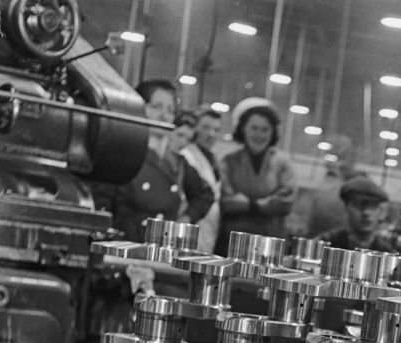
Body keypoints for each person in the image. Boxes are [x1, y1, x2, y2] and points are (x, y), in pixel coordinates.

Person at [98, 79, 214, 242]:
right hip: (124, 250)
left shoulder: (176, 160)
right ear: (138, 107)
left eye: (170, 110)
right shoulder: (120, 153)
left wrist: (186, 219)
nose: (164, 115)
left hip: (159, 252)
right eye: (156, 107)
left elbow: (205, 195)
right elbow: (103, 208)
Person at [218, 97, 297, 252]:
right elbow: (226, 201)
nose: (259, 134)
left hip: (270, 245)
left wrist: (248, 204)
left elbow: (286, 202)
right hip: (232, 243)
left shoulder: (283, 162)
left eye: (265, 129)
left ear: (273, 132)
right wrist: (264, 205)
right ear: (243, 129)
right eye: (254, 128)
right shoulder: (229, 161)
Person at [180, 106, 223, 253]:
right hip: (188, 231)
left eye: (216, 130)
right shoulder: (186, 156)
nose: (211, 134)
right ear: (195, 128)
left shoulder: (214, 160)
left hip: (208, 233)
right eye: (206, 127)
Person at [319, 175, 395, 251]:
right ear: (346, 207)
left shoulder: (386, 252)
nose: (366, 212)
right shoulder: (325, 244)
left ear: (380, 212)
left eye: (373, 207)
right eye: (359, 205)